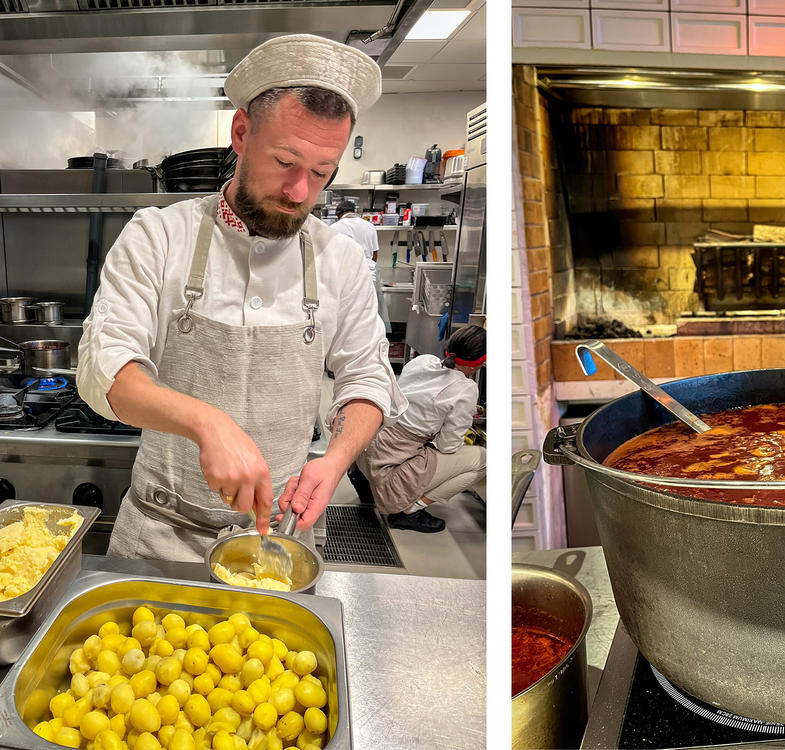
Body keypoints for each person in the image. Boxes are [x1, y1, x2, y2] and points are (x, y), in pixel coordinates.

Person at [76, 34, 404, 561]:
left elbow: (367, 377)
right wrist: (207, 422)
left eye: (321, 174)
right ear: (241, 132)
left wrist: (337, 458)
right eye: (285, 162)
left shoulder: (339, 260)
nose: (299, 192)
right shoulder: (158, 236)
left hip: (275, 541)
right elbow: (103, 370)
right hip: (159, 536)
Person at [356, 326, 486, 533]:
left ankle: (370, 489)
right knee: (483, 460)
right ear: (480, 363)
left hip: (366, 450)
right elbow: (448, 445)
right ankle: (408, 511)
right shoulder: (465, 389)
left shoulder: (422, 361)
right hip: (391, 465)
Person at [330, 199, 392, 330]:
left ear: (338, 214)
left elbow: (331, 258)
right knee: (367, 316)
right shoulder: (369, 226)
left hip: (346, 279)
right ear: (354, 212)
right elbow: (375, 255)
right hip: (369, 275)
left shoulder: (334, 228)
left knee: (348, 319)